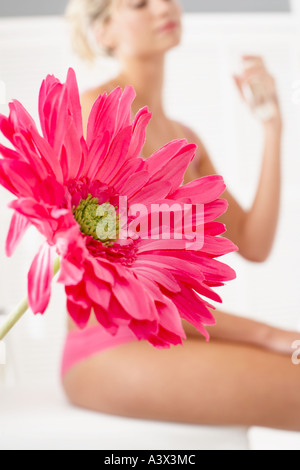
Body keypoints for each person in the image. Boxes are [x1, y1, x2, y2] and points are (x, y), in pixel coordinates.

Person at [61, 0, 300, 431]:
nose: (163, 7)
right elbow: (120, 286)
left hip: (179, 334)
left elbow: (254, 242)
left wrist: (272, 125)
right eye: (138, 3)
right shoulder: (94, 112)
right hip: (112, 343)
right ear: (104, 34)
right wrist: (272, 335)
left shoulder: (186, 140)